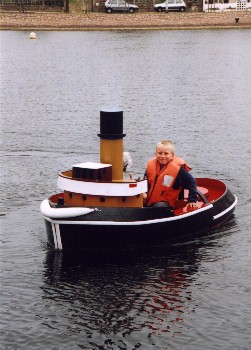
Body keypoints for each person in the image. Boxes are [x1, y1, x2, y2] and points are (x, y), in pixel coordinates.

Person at [143, 140, 198, 211]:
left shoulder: (177, 169)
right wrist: (144, 192)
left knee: (158, 207)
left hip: (165, 203)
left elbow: (192, 182)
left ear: (172, 155)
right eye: (160, 153)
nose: (163, 156)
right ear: (155, 154)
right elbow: (145, 183)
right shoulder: (151, 165)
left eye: (166, 153)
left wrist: (192, 200)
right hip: (147, 200)